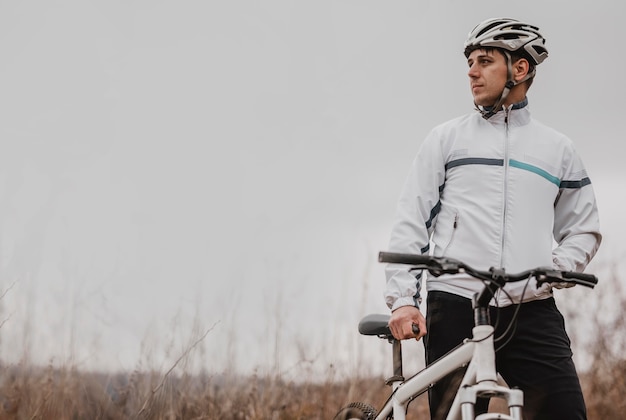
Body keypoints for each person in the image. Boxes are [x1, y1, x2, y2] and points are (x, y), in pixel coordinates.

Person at [384, 17, 601, 420]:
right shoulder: (446, 139)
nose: (471, 71)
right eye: (470, 61)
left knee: (566, 412)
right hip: (455, 302)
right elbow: (412, 219)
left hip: (529, 305)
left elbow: (582, 229)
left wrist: (553, 269)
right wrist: (402, 300)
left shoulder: (558, 149)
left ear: (520, 69)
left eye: (484, 61)